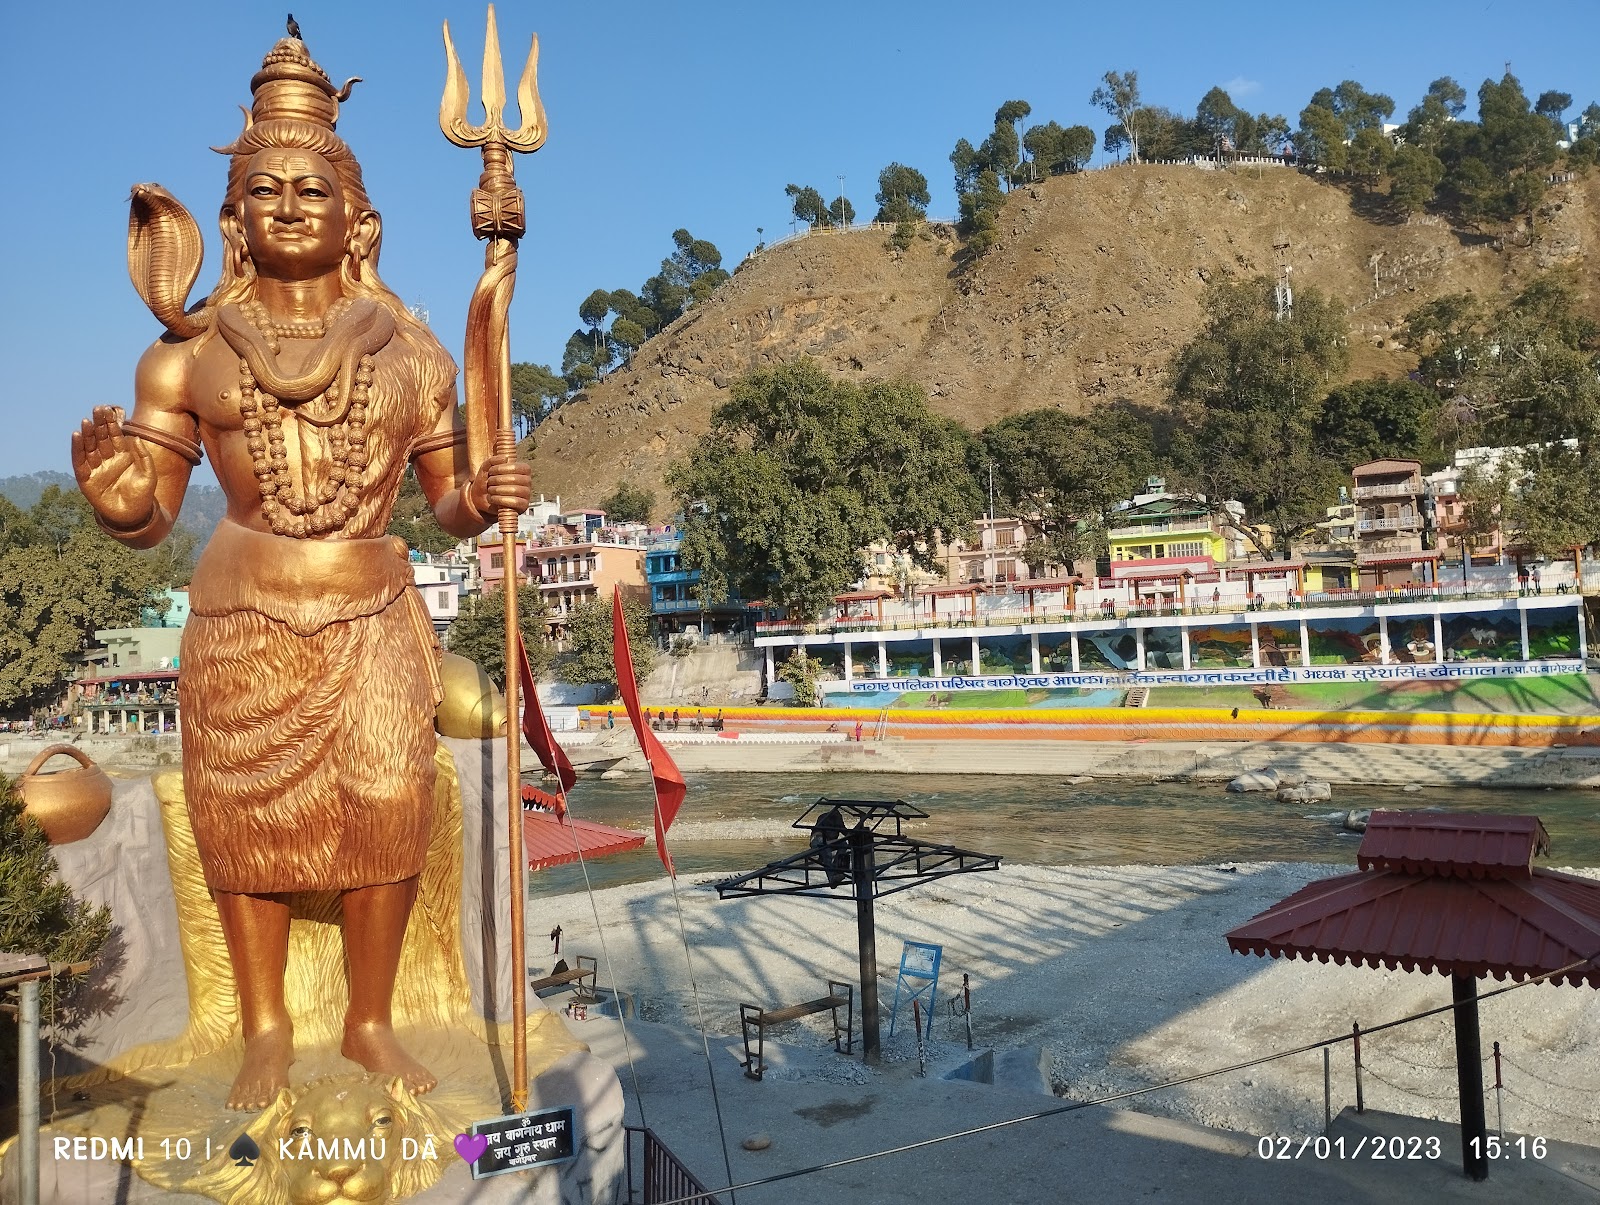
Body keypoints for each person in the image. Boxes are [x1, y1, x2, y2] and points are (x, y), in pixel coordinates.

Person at [70, 33, 530, 1111]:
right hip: (240, 610)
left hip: (370, 602)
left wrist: (488, 493)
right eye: (262, 190)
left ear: (355, 219)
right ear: (231, 219)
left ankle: (368, 1021)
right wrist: (114, 494)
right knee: (244, 815)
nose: (286, 205)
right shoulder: (184, 354)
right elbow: (148, 517)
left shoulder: (412, 352)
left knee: (385, 798)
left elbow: (451, 505)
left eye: (309, 189)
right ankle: (267, 1026)